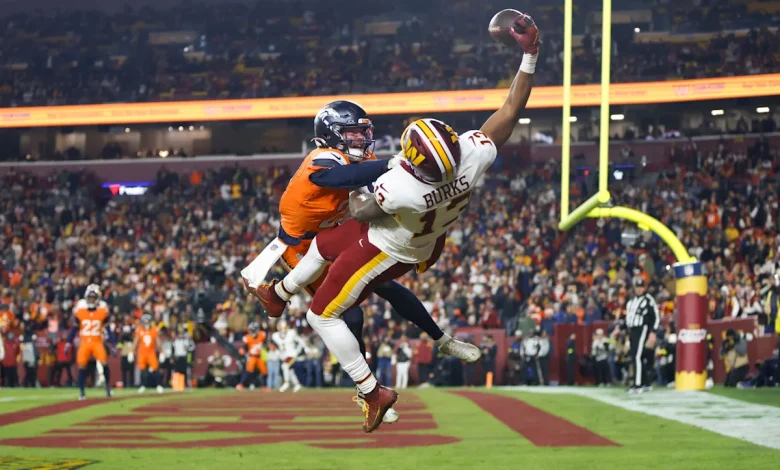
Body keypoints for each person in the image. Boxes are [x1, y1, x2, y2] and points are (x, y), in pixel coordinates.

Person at [255, 11, 539, 432]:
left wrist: (363, 183)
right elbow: (510, 109)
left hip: (391, 248)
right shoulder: (471, 156)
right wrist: (530, 55)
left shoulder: (402, 185)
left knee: (321, 316)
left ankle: (372, 391)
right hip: (421, 231)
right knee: (325, 243)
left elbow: (359, 211)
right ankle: (279, 292)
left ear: (414, 163)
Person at [241, 99, 479, 422]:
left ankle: (442, 339)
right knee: (349, 316)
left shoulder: (361, 158)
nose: (360, 141)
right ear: (332, 136)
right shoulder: (321, 158)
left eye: (361, 133)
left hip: (334, 229)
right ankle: (367, 391)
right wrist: (390, 164)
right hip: (300, 242)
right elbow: (341, 179)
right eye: (352, 134)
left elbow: (369, 187)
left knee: (388, 286)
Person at [67, 284, 112, 400]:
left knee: (104, 363)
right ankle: (82, 391)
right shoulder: (81, 310)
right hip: (85, 341)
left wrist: (113, 342)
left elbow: (107, 328)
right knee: (81, 365)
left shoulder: (102, 310)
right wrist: (68, 342)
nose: (91, 299)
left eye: (93, 297)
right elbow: (74, 328)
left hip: (97, 341)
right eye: (90, 297)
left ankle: (107, 387)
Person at [625, 277, 659, 393]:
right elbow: (629, 319)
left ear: (644, 288)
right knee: (636, 355)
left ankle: (637, 384)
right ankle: (645, 382)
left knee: (637, 356)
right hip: (633, 330)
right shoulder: (631, 301)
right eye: (637, 287)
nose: (639, 289)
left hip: (642, 328)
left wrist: (653, 332)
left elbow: (656, 317)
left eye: (641, 287)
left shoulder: (649, 300)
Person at [271, 320, 306, 392]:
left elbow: (301, 341)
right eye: (281, 327)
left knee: (284, 366)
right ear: (278, 327)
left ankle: (286, 383)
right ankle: (297, 384)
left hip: (292, 354)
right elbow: (274, 346)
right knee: (290, 371)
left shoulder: (291, 333)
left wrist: (298, 350)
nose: (283, 328)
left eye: (284, 326)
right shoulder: (275, 336)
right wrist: (277, 353)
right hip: (284, 356)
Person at [134, 314, 163, 394]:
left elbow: (158, 342)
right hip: (142, 353)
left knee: (155, 369)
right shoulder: (139, 330)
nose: (146, 324)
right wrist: (131, 351)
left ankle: (159, 385)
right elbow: (136, 341)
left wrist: (161, 352)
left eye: (147, 322)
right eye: (145, 322)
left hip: (151, 352)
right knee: (143, 370)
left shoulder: (154, 329)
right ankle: (143, 386)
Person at [237, 322, 266, 390]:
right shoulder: (248, 337)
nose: (252, 331)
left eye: (253, 330)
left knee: (264, 371)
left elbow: (266, 342)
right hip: (252, 356)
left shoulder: (262, 335)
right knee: (248, 371)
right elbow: (245, 347)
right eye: (251, 330)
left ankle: (265, 386)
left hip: (259, 356)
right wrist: (243, 350)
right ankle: (240, 384)